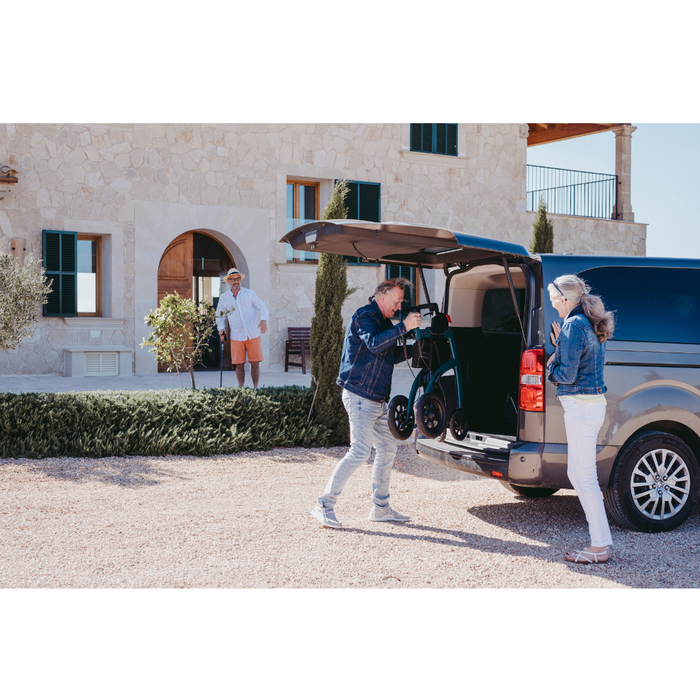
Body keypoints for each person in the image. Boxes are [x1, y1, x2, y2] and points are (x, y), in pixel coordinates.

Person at [311, 278, 422, 529]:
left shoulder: (384, 322)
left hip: (377, 398)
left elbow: (390, 354)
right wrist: (403, 327)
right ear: (382, 296)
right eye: (396, 301)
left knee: (387, 448)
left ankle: (381, 509)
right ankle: (324, 505)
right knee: (360, 451)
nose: (399, 306)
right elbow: (373, 343)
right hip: (360, 394)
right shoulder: (365, 316)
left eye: (401, 302)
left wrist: (418, 347)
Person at [547, 274, 616, 564]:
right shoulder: (581, 324)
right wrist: (560, 347)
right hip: (587, 406)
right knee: (578, 475)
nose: (552, 304)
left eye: (553, 299)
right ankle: (601, 541)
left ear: (565, 298)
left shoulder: (573, 325)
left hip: (581, 407)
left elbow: (567, 374)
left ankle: (600, 545)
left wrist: (550, 368)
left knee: (584, 477)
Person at [216, 267, 269, 389]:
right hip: (236, 336)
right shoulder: (224, 297)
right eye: (233, 279)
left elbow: (262, 307)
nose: (236, 281)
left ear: (240, 280)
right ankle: (241, 389)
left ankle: (255, 388)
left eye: (238, 279)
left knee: (255, 363)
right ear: (229, 281)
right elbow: (219, 315)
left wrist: (263, 320)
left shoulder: (249, 294)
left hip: (252, 335)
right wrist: (221, 328)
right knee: (239, 365)